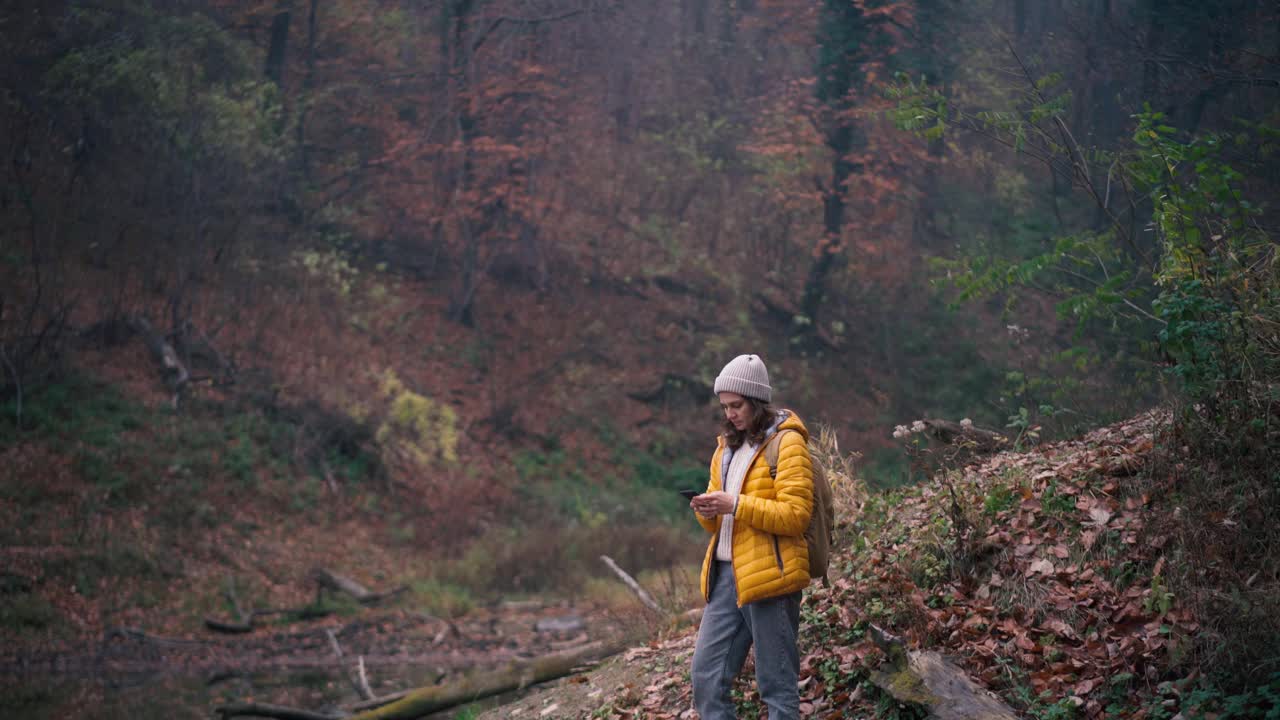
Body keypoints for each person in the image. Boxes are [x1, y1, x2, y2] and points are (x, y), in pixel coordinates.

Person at [689, 353, 815, 720]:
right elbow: (718, 524)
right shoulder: (724, 448)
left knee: (777, 686)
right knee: (706, 677)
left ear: (756, 400)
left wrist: (737, 504)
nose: (730, 414)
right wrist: (707, 511)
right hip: (725, 577)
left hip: (772, 577)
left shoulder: (788, 444)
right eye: (725, 406)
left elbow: (796, 516)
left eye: (737, 405)